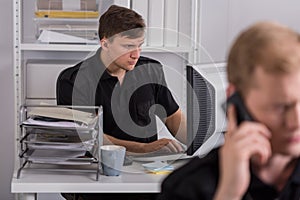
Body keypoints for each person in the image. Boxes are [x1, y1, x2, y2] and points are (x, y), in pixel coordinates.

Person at [159, 21, 300, 200]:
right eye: (280, 107)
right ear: (236, 99)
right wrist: (229, 194)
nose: (296, 122)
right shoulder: (187, 187)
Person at [58, 5, 186, 200]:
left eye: (140, 45)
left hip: (146, 175)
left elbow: (173, 117)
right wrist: (144, 148)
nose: (136, 54)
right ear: (105, 43)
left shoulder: (151, 70)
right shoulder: (73, 80)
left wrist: (200, 135)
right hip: (99, 178)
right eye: (128, 46)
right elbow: (87, 137)